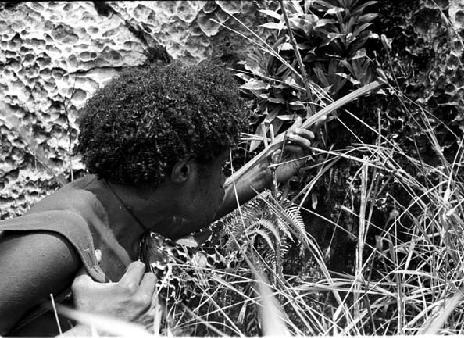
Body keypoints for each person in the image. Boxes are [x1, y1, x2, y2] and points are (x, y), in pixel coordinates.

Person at [0, 60, 316, 336]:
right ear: (182, 173)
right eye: (221, 168)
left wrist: (265, 173)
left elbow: (180, 219)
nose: (224, 178)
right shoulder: (55, 243)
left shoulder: (127, 207)